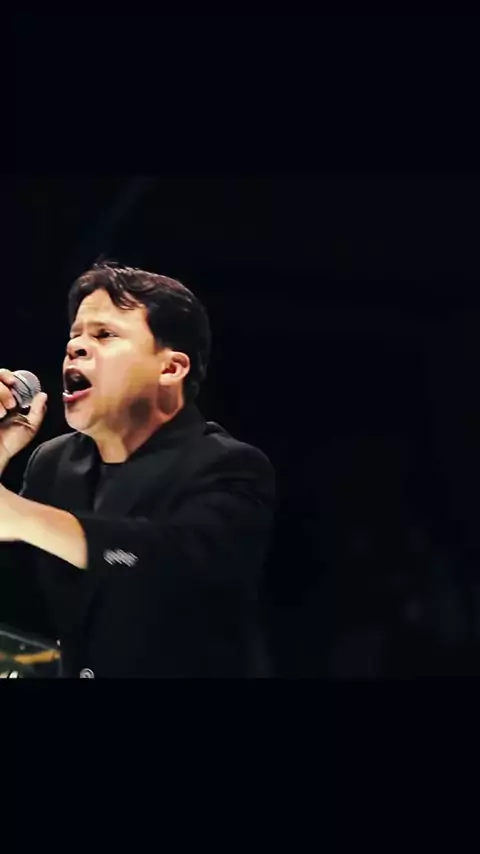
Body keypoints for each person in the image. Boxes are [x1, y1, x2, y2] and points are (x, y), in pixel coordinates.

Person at [0, 262, 275, 678]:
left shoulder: (230, 466)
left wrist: (22, 517)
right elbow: (17, 600)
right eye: (75, 335)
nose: (76, 347)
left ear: (171, 368)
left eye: (104, 335)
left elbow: (169, 560)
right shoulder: (53, 463)